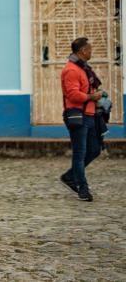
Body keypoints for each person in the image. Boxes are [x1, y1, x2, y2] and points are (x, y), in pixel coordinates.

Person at [60, 37, 104, 202]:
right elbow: (72, 94)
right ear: (82, 51)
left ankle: (70, 176)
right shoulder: (71, 70)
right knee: (79, 153)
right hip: (78, 115)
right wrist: (91, 96)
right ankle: (82, 189)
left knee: (94, 149)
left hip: (90, 115)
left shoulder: (84, 68)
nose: (91, 52)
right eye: (90, 49)